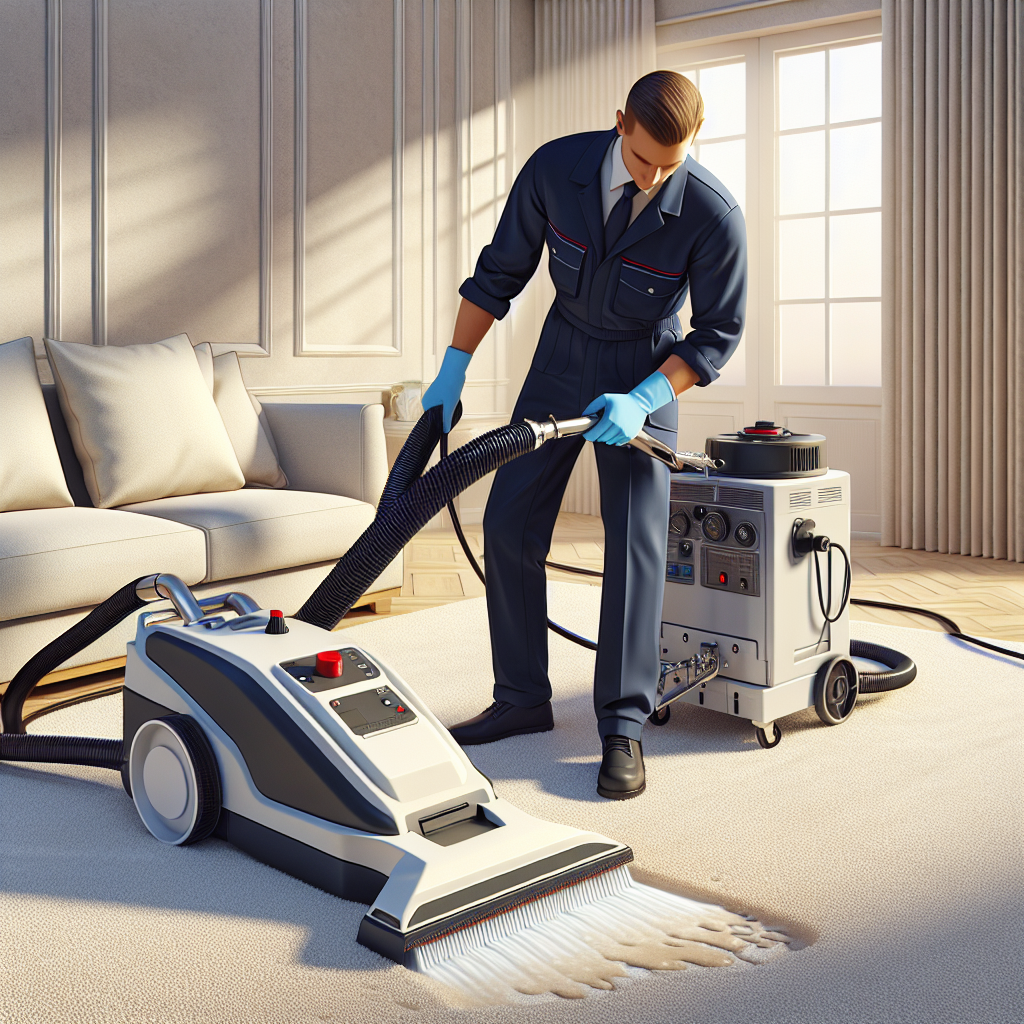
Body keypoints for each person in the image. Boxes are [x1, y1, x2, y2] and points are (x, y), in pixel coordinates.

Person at [421, 70, 746, 799]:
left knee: (634, 547)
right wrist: (453, 368)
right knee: (508, 522)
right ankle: (521, 699)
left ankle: (624, 726)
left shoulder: (713, 213)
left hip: (647, 371)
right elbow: (498, 275)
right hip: (561, 355)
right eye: (644, 159)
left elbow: (717, 334)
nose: (657, 176)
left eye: (674, 162)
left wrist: (645, 398)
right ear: (620, 122)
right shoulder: (554, 170)